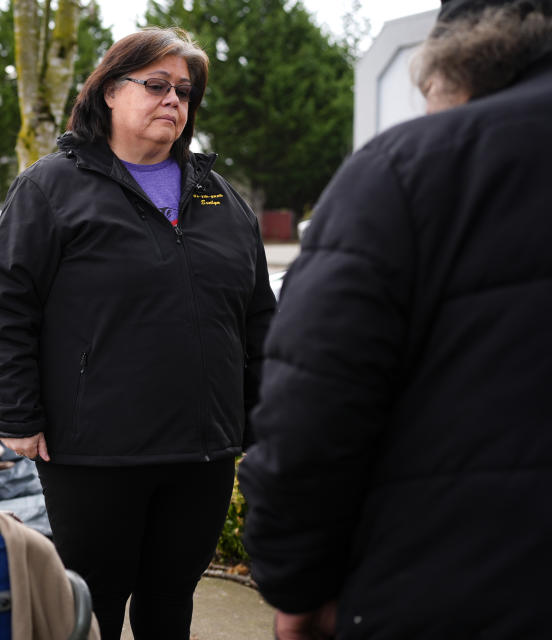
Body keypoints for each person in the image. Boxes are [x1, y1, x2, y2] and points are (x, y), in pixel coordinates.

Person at [237, 0, 552, 638]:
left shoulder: (406, 169)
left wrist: (294, 587)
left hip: (450, 594)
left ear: (452, 65)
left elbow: (311, 412)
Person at [0, 27, 276, 639]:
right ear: (111, 91)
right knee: (95, 603)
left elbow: (257, 318)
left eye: (184, 91)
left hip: (203, 449)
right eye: (157, 85)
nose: (174, 101)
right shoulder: (51, 188)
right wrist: (17, 414)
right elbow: (8, 308)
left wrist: (264, 416)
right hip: (95, 450)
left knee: (171, 601)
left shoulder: (221, 199)